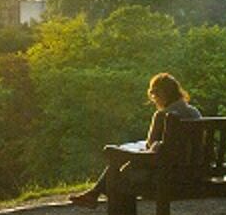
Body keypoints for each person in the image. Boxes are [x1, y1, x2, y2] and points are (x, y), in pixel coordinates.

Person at [69, 73, 201, 207]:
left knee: (120, 169)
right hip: (193, 172)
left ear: (161, 94)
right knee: (128, 163)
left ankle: (111, 211)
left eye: (154, 96)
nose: (154, 100)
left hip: (167, 174)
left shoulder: (162, 116)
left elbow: (150, 145)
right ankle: (93, 194)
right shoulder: (194, 112)